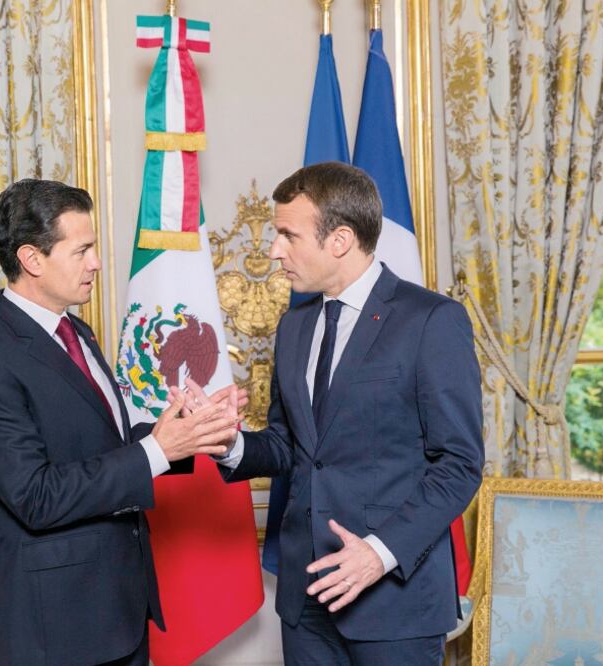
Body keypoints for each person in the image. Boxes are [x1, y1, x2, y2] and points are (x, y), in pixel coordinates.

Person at [0, 179, 240, 666]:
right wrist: (158, 450)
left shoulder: (75, 329)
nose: (97, 263)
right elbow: (35, 497)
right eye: (82, 250)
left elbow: (106, 444)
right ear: (32, 259)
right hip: (50, 629)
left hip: (118, 612)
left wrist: (186, 430)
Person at [201, 161, 484, 664]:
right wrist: (230, 442)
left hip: (395, 600)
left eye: (288, 235)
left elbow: (459, 464)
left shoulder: (432, 321)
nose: (274, 251)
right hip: (306, 600)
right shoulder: (295, 326)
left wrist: (379, 552)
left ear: (340, 240)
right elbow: (295, 445)